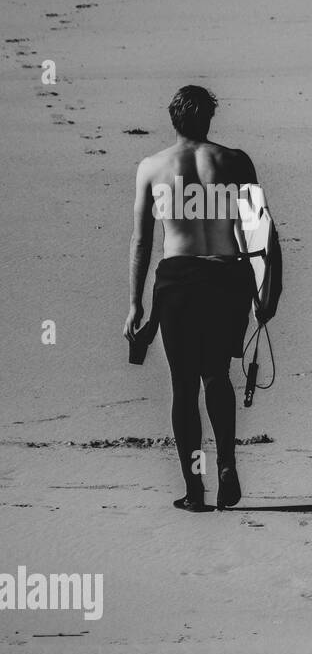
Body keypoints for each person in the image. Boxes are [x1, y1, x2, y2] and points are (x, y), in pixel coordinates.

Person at [123, 86, 258, 512]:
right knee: (216, 375)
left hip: (178, 281)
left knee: (183, 386)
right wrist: (263, 292)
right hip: (226, 276)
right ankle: (228, 467)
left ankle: (195, 487)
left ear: (173, 119)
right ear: (209, 119)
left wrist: (135, 303)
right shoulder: (236, 161)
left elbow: (142, 242)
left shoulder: (152, 167)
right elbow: (257, 233)